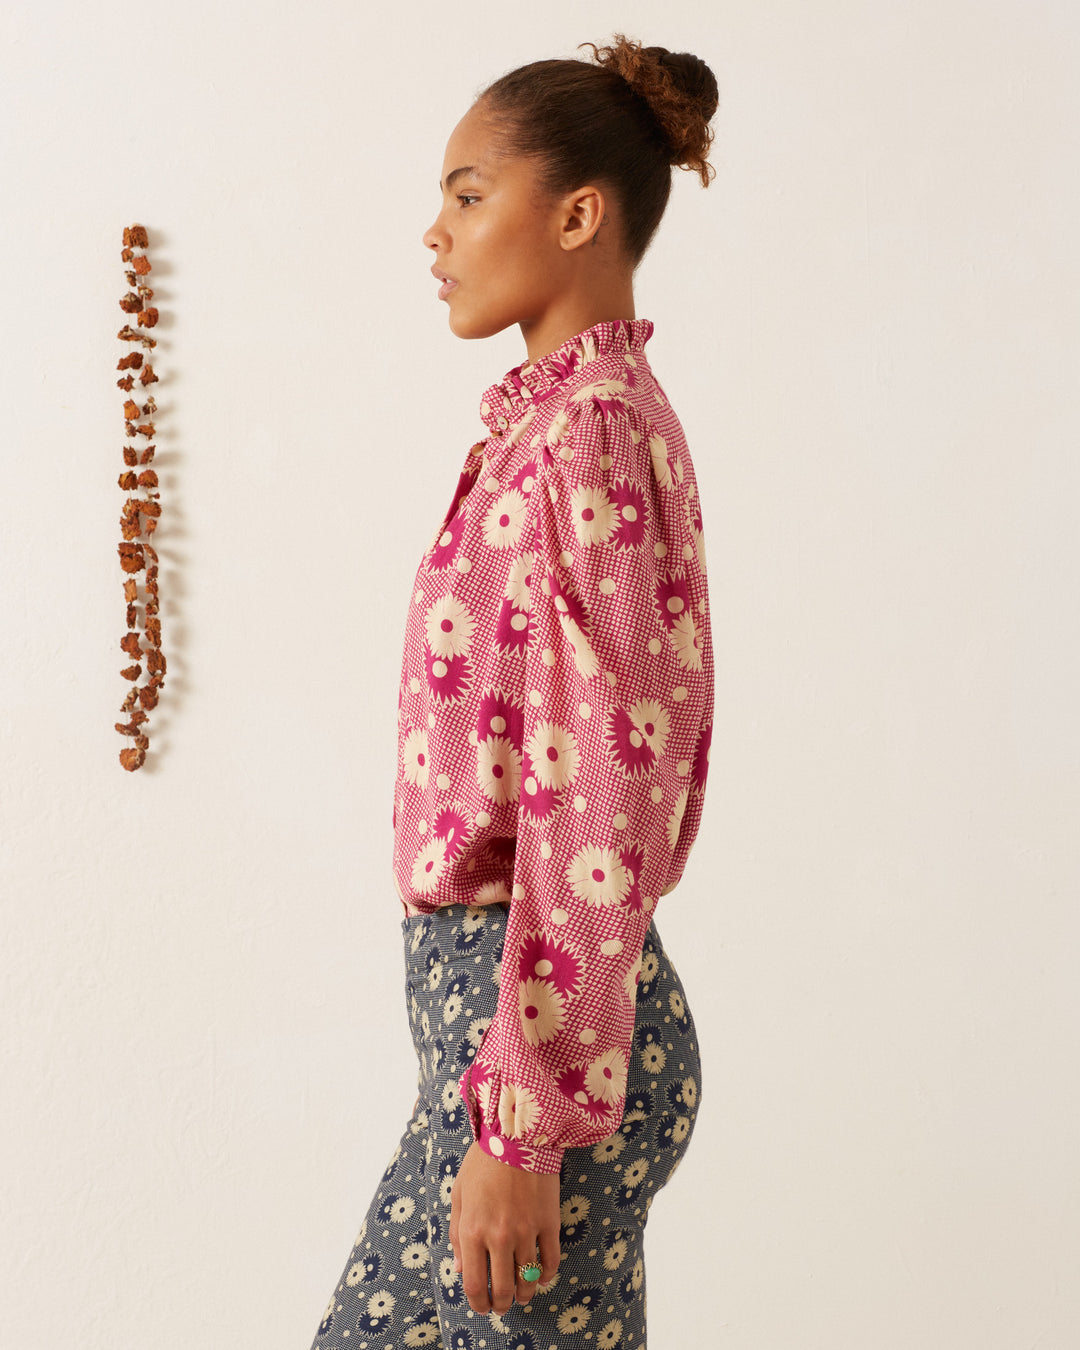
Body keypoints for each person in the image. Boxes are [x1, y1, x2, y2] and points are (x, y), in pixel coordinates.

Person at [309, 34, 719, 1350]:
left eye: (469, 192)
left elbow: (599, 789)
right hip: (517, 1032)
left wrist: (525, 1118)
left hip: (537, 1045)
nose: (435, 233)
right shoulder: (560, 422)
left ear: (580, 212)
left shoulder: (592, 428)